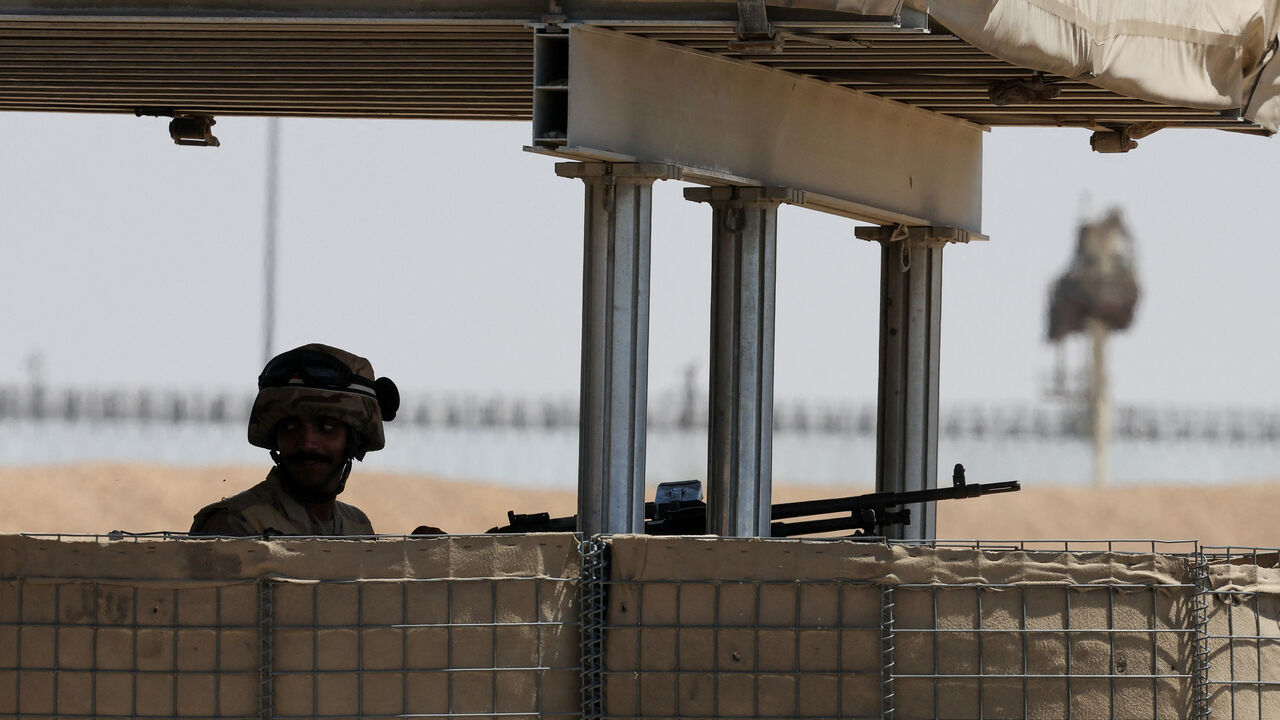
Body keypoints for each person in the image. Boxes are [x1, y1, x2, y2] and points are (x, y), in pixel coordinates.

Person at [190, 343, 399, 536]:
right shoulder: (236, 524)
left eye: (327, 427)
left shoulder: (357, 526)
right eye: (290, 427)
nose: (307, 443)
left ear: (353, 441)